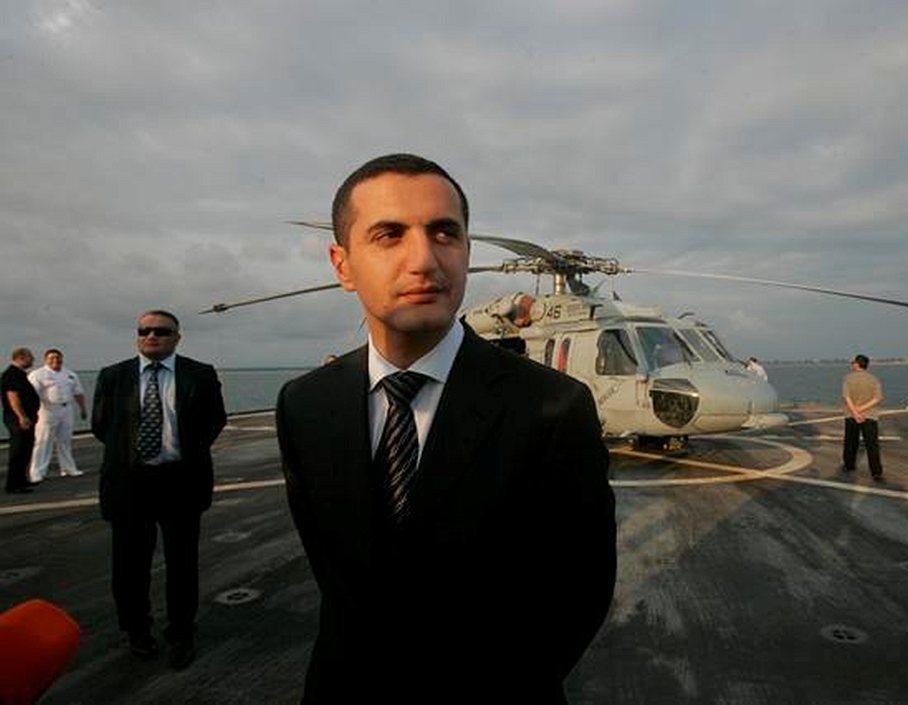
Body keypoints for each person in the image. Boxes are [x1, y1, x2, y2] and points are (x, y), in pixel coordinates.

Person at [277, 154, 617, 703]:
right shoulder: (304, 404)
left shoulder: (554, 407)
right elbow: (334, 574)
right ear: (342, 265)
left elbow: (580, 590)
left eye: (444, 233)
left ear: (466, 251)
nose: (424, 260)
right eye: (389, 235)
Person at [92, 310, 226, 670]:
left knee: (182, 564)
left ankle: (181, 632)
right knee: (129, 566)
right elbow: (102, 426)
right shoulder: (113, 376)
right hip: (129, 485)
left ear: (177, 338)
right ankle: (137, 630)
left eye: (161, 331)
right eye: (144, 330)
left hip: (180, 483)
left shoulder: (200, 374)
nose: (152, 336)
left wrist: (182, 453)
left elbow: (215, 420)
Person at [27, 349, 87, 481]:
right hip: (47, 410)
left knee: (65, 440)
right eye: (51, 358)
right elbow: (31, 395)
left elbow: (78, 393)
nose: (55, 360)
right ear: (45, 360)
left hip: (66, 409)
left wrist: (83, 409)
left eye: (58, 357)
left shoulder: (70, 374)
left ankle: (68, 468)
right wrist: (30, 412)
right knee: (43, 441)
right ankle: (37, 472)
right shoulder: (37, 374)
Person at [841, 354, 884, 481]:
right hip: (870, 415)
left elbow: (846, 397)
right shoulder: (874, 379)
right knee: (872, 445)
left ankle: (849, 465)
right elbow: (877, 398)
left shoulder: (848, 378)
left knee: (850, 442)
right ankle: (876, 472)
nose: (852, 364)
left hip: (851, 415)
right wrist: (862, 409)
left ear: (857, 364)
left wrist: (855, 412)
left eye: (853, 362)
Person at [3, 348, 40, 494]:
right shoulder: (12, 375)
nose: (33, 360)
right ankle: (13, 484)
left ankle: (21, 479)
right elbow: (13, 397)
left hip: (26, 417)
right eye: (30, 357)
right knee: (18, 451)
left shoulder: (20, 374)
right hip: (17, 419)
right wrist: (21, 416)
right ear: (21, 358)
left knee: (26, 449)